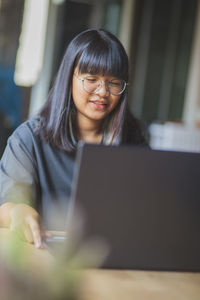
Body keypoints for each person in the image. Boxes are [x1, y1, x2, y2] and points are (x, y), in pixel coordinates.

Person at [0, 29, 147, 248]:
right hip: (46, 259)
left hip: (113, 258)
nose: (102, 92)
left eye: (114, 82)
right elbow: (6, 206)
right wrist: (18, 211)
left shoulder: (133, 141)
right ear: (69, 77)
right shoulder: (29, 138)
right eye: (91, 79)